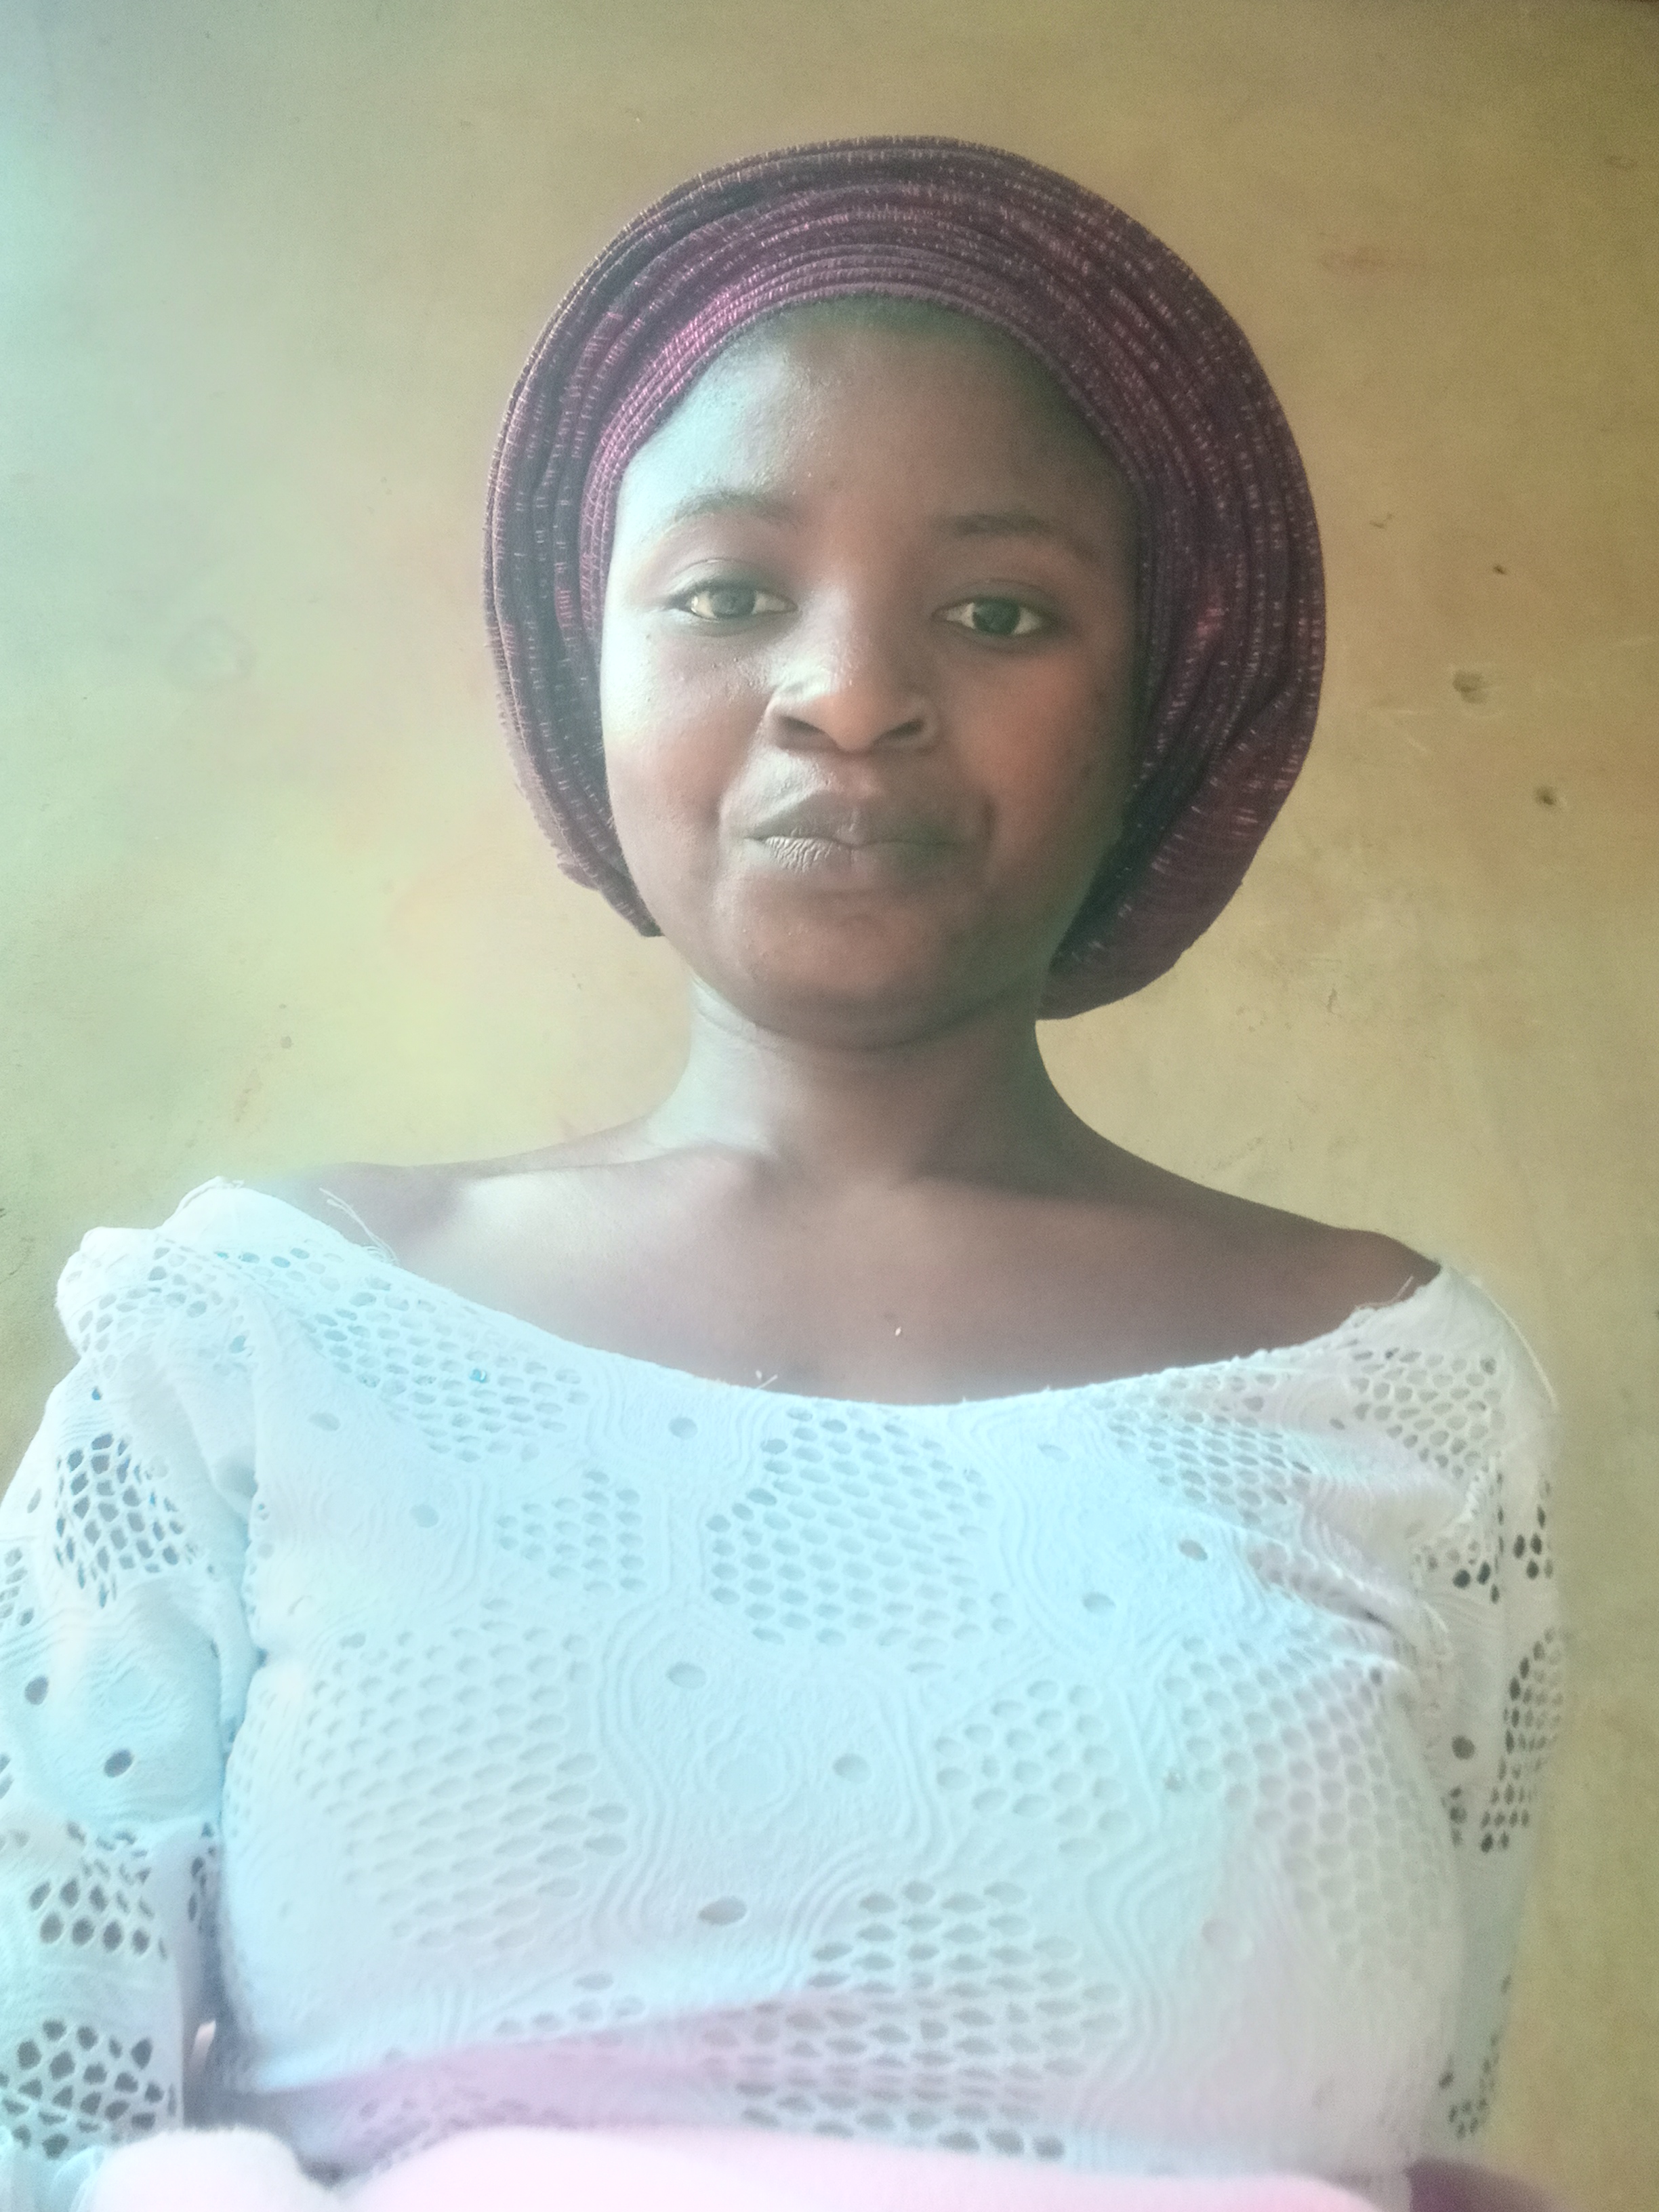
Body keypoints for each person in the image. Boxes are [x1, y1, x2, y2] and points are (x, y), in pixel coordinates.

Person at [0, 141, 1568, 2212]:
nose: (848, 694)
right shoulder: (256, 1347)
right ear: (586, 659)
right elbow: (39, 2129)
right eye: (732, 593)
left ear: (1157, 709)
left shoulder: (1400, 1395)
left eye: (1000, 612)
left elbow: (1413, 2124)